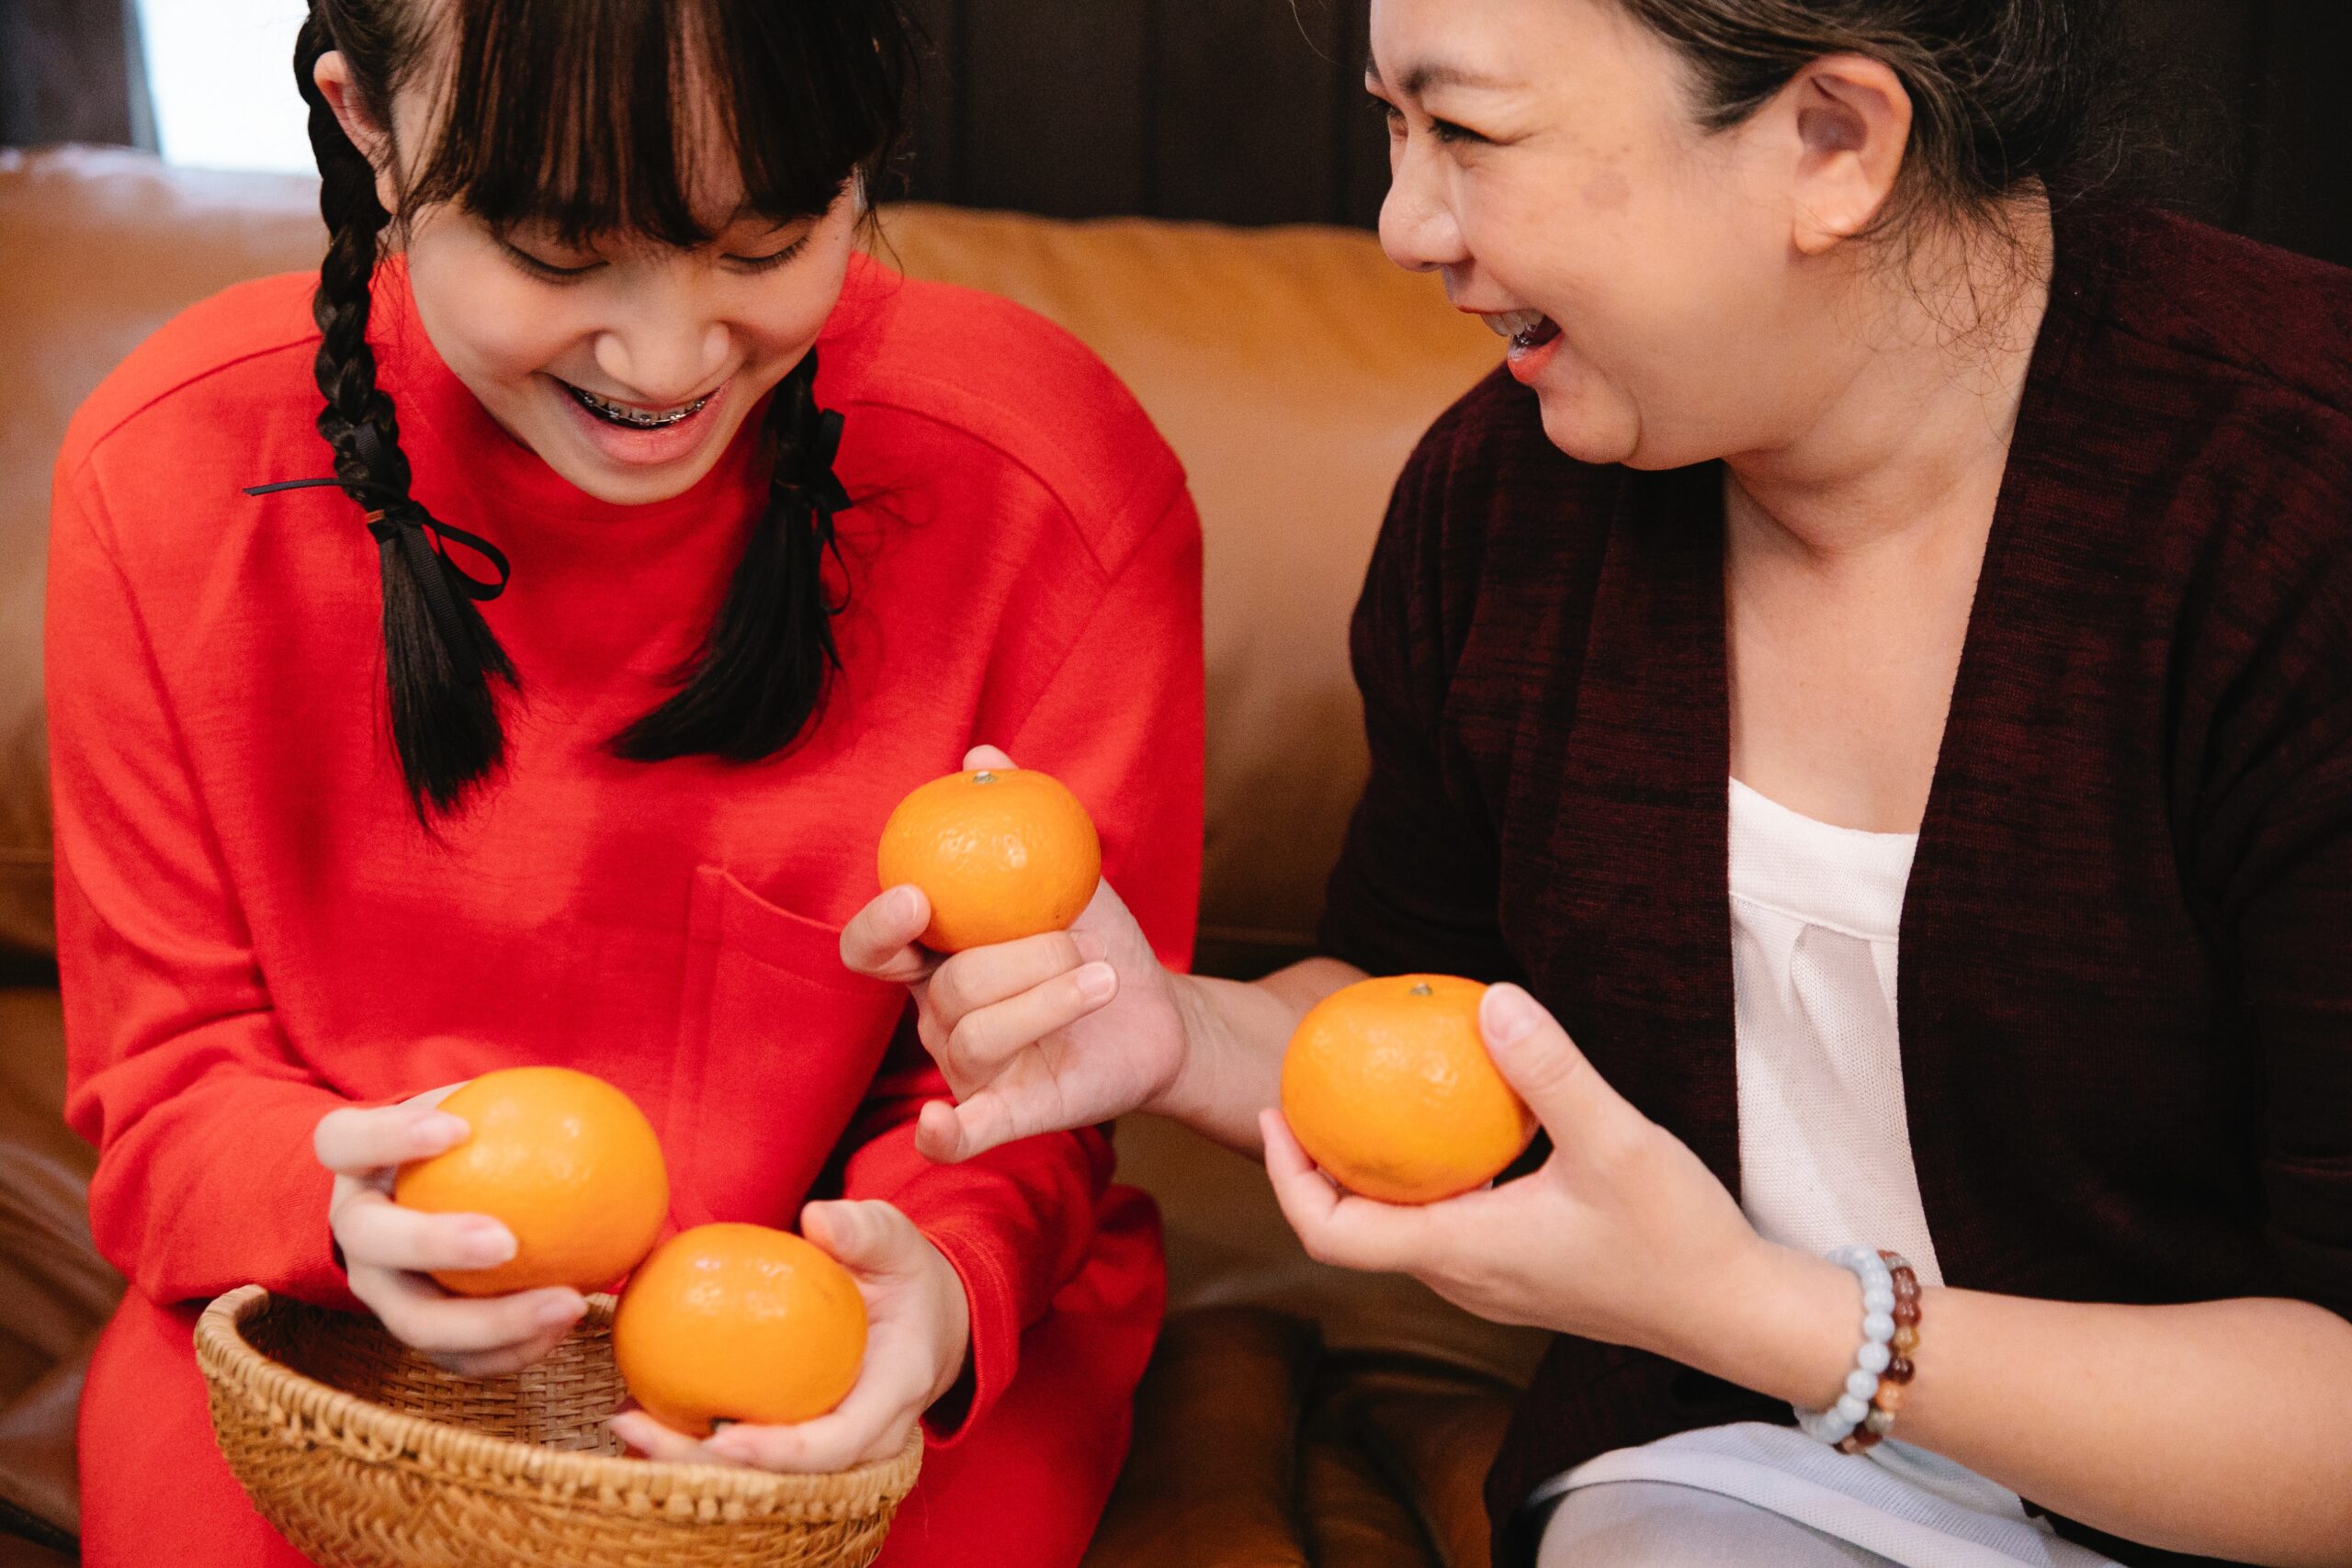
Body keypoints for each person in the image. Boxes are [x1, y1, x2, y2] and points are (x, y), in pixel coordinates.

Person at [842, 2, 2352, 1564]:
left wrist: (1768, 1319)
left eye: (1471, 134)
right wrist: (1173, 1027)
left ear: (1832, 142)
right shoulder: (1508, 505)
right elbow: (1425, 1008)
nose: (1402, 225)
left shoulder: (2294, 518)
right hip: (1737, 1486)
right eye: (1390, 123)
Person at [48, 2, 1202, 1563]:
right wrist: (336, 1213)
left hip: (855, 1337)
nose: (667, 363)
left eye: (766, 240)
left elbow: (1037, 1092)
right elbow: (168, 1082)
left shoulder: (1048, 485)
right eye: (557, 250)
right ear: (367, 125)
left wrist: (941, 1287)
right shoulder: (170, 473)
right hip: (315, 1324)